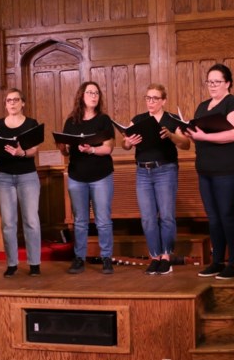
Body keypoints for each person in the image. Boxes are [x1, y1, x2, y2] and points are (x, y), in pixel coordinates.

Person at [185, 63, 234, 280]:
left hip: (229, 169)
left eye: (217, 81)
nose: (212, 85)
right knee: (213, 218)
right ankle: (217, 261)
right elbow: (198, 133)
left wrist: (203, 137)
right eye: (209, 82)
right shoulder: (203, 106)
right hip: (206, 169)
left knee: (228, 215)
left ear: (228, 83)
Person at [121, 83, 189, 275]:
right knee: (148, 218)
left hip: (165, 170)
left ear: (163, 101)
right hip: (143, 172)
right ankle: (154, 257)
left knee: (166, 215)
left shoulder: (171, 119)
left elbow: (186, 144)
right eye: (148, 98)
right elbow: (124, 144)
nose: (151, 102)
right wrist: (128, 142)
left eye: (155, 98)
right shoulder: (139, 119)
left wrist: (170, 136)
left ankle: (166, 257)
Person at [59, 81, 116, 275]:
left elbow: (109, 147)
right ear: (81, 96)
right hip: (77, 175)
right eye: (90, 92)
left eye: (97, 93)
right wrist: (62, 145)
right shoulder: (71, 121)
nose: (94, 96)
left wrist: (91, 149)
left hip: (101, 175)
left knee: (103, 220)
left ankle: (107, 257)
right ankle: (79, 258)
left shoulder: (104, 120)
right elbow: (65, 151)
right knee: (80, 220)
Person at [0, 88, 42, 278]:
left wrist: (22, 153)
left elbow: (34, 150)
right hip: (4, 176)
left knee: (31, 220)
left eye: (16, 100)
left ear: (23, 103)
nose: (12, 103)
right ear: (5, 104)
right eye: (9, 100)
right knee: (8, 223)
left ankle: (34, 263)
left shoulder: (31, 123)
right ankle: (12, 263)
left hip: (27, 175)